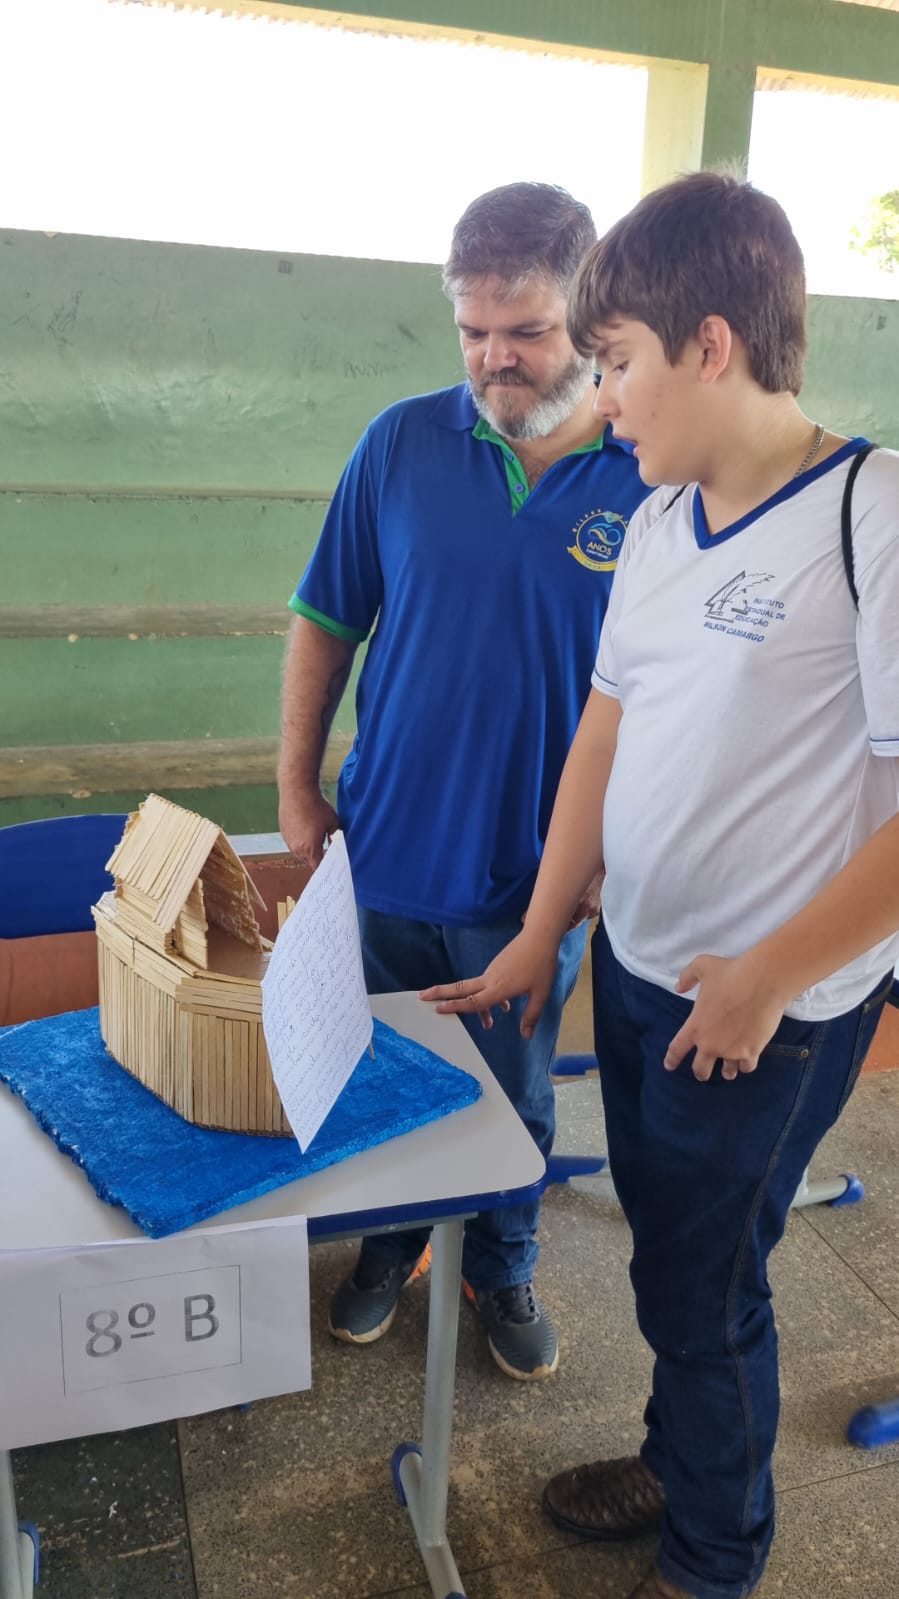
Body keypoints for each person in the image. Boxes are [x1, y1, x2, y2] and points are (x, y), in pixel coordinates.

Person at [421, 170, 899, 1595]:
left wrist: (762, 979)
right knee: (672, 1260)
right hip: (638, 966)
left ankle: (710, 1555)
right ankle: (677, 1457)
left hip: (761, 1010)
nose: (603, 398)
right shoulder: (653, 523)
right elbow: (603, 732)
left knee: (702, 1284)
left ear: (709, 343)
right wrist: (537, 933)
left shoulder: (867, 515)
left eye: (616, 361)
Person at [277, 181, 650, 1381]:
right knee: (383, 1071)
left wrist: (607, 858)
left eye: (524, 330)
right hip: (385, 847)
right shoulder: (399, 442)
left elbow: (674, 696)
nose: (493, 357)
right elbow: (325, 619)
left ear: (589, 319)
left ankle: (501, 1257)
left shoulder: (650, 471)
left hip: (533, 873)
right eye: (472, 331)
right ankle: (390, 1244)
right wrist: (295, 789)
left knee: (513, 1088)